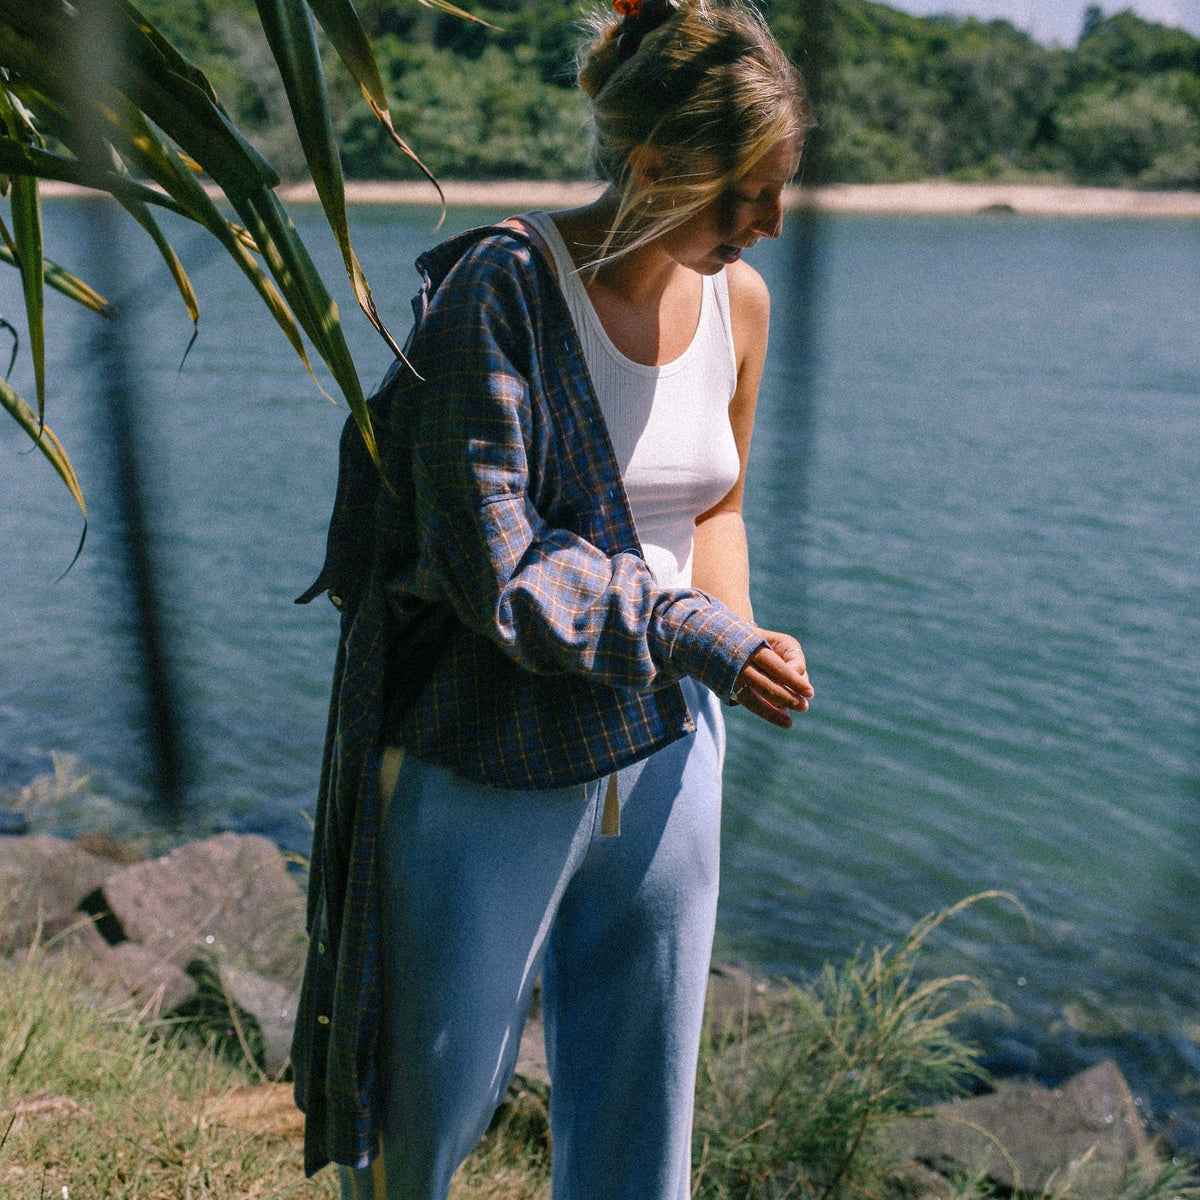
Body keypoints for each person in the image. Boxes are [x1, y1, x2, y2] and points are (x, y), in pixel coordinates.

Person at [291, 0, 814, 1196]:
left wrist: (741, 643)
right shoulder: (502, 291)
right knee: (429, 1113)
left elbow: (718, 507)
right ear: (656, 164)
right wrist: (699, 634)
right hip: (490, 744)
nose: (773, 224)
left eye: (783, 189)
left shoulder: (738, 304)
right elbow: (502, 568)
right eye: (747, 193)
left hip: (674, 733)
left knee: (644, 1105)